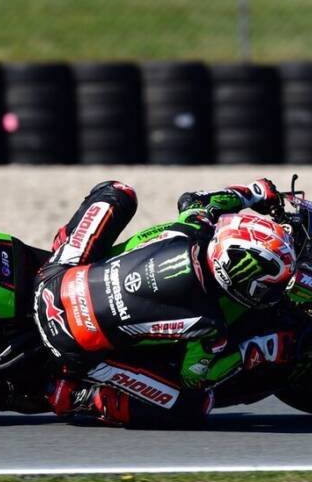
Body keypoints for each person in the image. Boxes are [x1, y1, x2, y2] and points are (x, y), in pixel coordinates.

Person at [33, 178, 297, 427]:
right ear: (239, 278)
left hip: (53, 278)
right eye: (267, 287)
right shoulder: (210, 323)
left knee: (119, 191)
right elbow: (194, 379)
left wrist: (253, 193)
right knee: (195, 405)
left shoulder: (193, 226)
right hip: (73, 348)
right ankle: (79, 397)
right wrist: (254, 350)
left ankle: (64, 244)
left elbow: (195, 199)